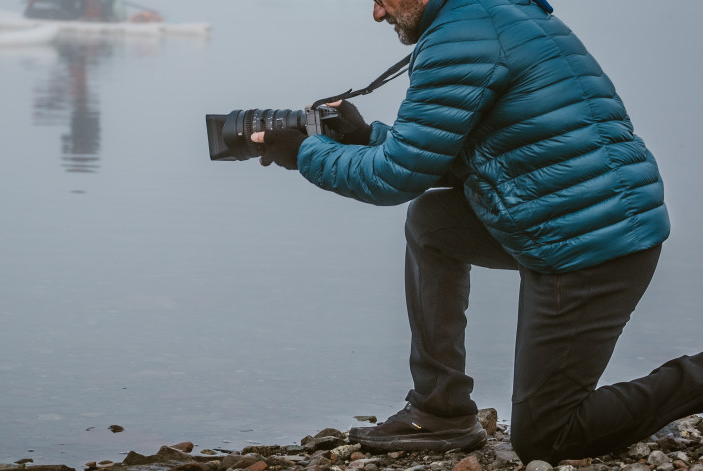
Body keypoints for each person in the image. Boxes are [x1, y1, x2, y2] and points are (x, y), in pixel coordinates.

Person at [252, 0, 703, 464]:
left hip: (592, 243)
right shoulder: (486, 15)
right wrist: (365, 137)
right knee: (434, 221)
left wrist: (307, 153)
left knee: (549, 437)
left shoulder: (460, 37)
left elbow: (395, 178)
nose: (377, 14)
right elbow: (445, 155)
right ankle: (441, 408)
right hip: (568, 217)